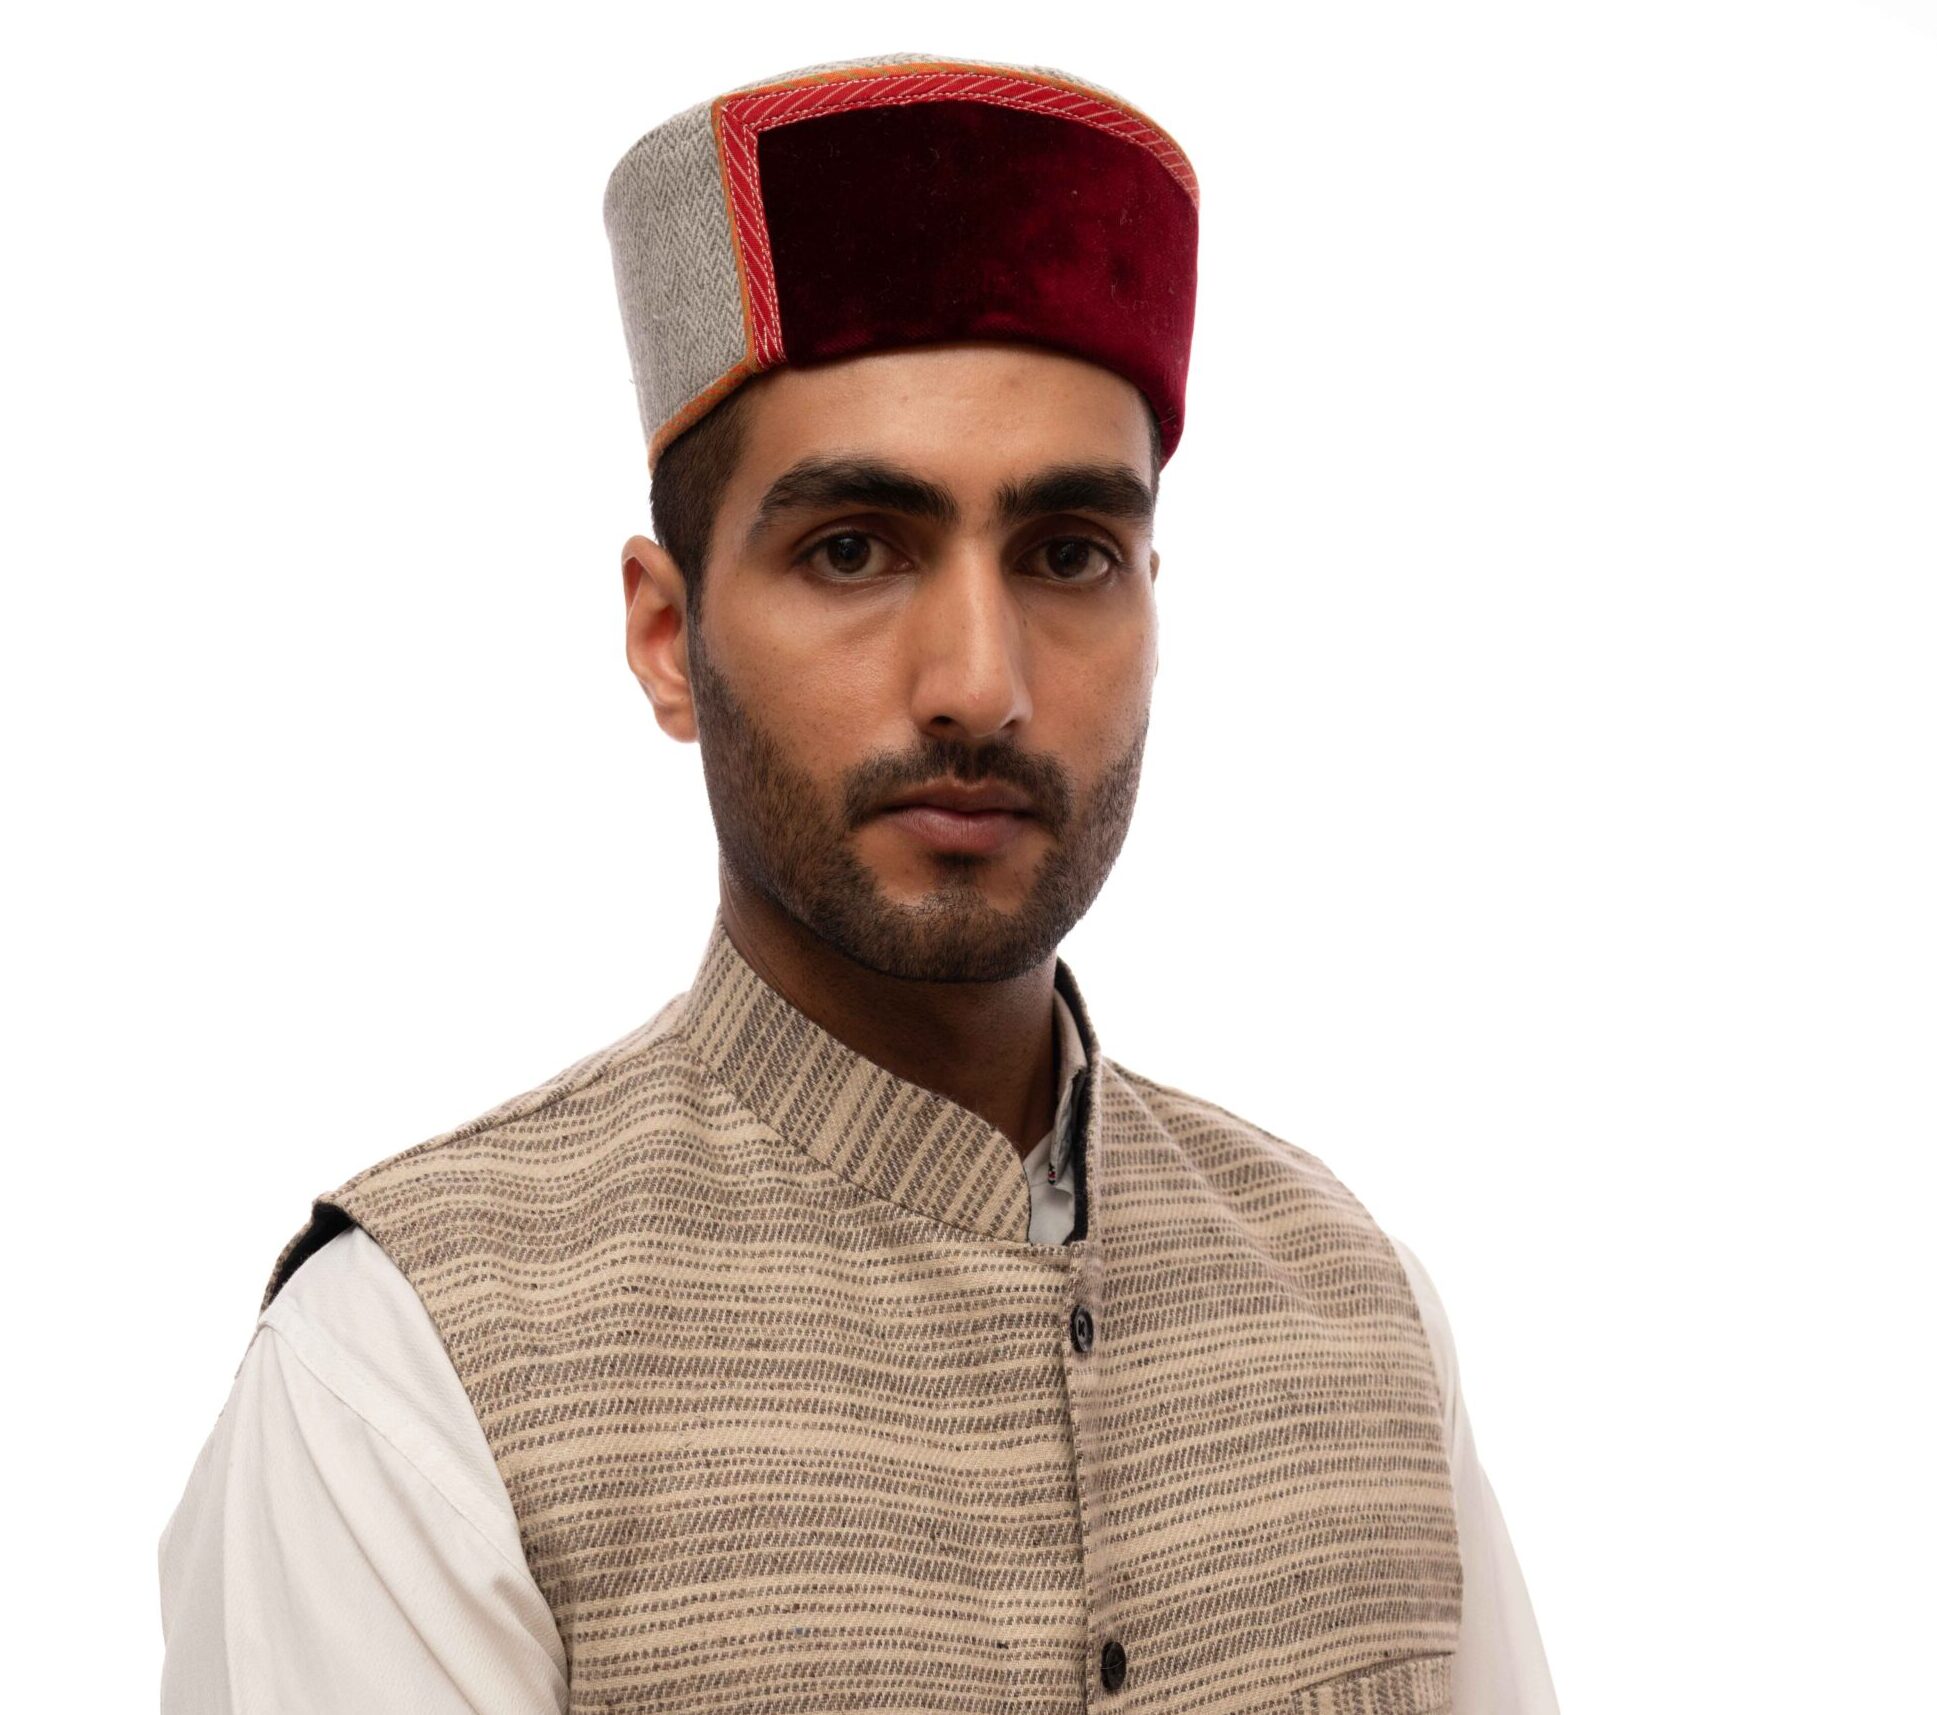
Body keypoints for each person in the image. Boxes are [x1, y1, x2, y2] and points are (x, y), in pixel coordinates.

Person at [159, 51, 1559, 1714]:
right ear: (666, 636)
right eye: (851, 549)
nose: (978, 683)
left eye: (1067, 555)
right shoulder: (408, 1373)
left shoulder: (1360, 1319)